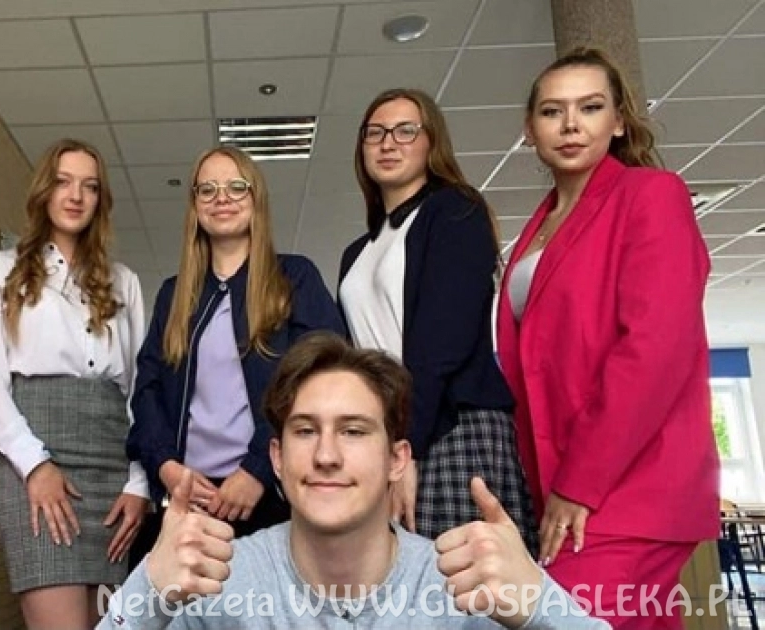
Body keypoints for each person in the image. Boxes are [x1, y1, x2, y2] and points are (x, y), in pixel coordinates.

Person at [100, 333, 610, 629]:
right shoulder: (220, 581)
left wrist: (542, 604)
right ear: (276, 458)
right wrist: (146, 592)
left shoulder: (461, 587)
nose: (326, 456)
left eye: (353, 431)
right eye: (305, 431)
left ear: (397, 460)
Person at [496, 47, 719, 628]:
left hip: (630, 484)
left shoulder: (651, 194)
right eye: (552, 111)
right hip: (565, 482)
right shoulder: (538, 227)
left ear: (619, 120)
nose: (571, 124)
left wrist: (580, 485)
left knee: (564, 618)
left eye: (590, 107)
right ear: (530, 129)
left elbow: (654, 350)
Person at [127, 147, 347, 566]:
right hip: (190, 500)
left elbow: (324, 378)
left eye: (236, 186)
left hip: (271, 493)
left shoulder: (294, 278)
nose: (221, 198)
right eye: (207, 189)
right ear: (194, 206)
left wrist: (258, 469)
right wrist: (167, 467)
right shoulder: (174, 295)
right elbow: (147, 390)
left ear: (255, 198)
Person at [338, 88, 537, 550]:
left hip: (450, 425)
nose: (388, 143)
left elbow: (442, 343)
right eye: (375, 133)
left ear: (432, 142)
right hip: (390, 430)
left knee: (461, 579)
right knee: (396, 576)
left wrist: (409, 445)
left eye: (406, 131)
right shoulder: (358, 251)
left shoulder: (454, 211)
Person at [0, 138, 149, 629]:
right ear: (43, 191)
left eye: (90, 186)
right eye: (64, 182)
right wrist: (36, 466)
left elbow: (140, 392)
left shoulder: (124, 281)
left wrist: (139, 482)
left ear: (101, 200)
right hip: (35, 463)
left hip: (112, 472)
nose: (76, 196)